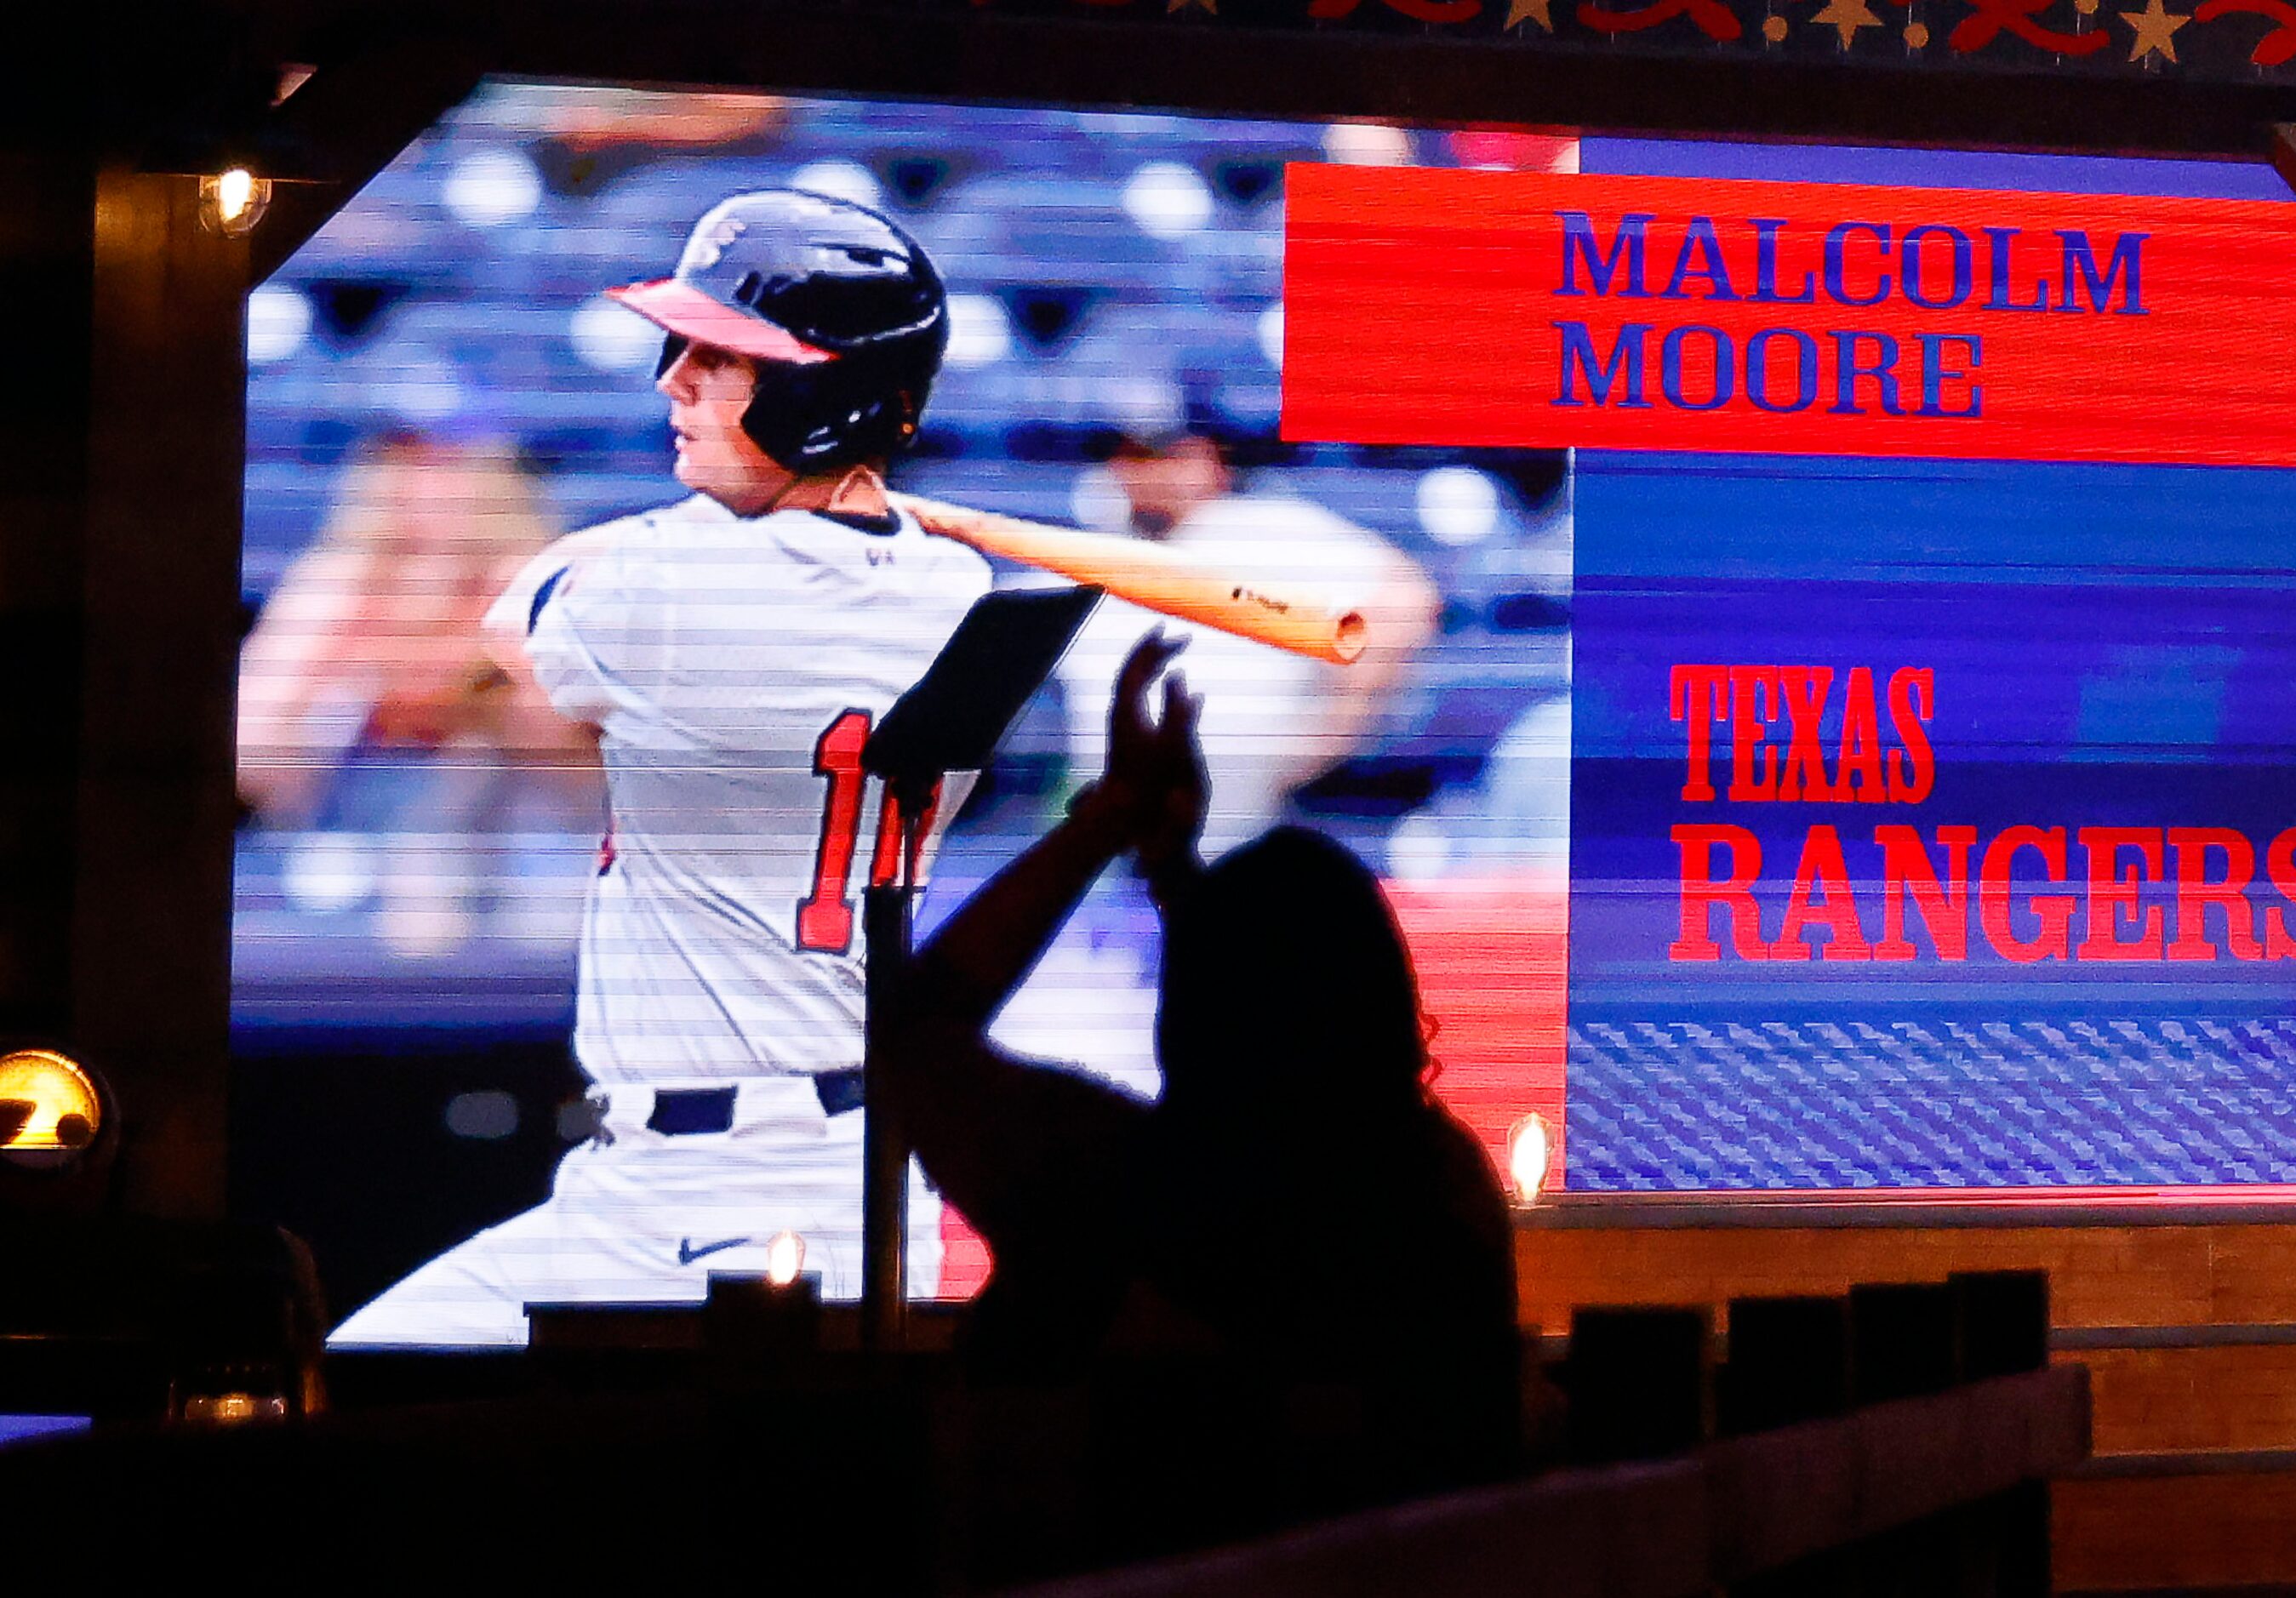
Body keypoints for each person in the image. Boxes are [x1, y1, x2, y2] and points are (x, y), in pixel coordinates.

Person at [329, 191, 993, 1347]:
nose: (671, 380)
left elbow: (503, 623)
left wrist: (710, 522)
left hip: (761, 1200)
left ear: (814, 394)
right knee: (368, 1365)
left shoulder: (674, 583)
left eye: (719, 357)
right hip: (717, 1172)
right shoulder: (961, 592)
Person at [890, 633, 1522, 1498]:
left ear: (1182, 1015)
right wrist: (1181, 880)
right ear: (1393, 1005)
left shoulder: (1103, 1195)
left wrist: (1115, 817)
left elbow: (918, 1029)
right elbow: (1289, 1034)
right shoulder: (1443, 1201)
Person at [236, 433, 599, 956]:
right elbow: (251, 762)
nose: (431, 488)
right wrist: (340, 667)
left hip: (526, 844)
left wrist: (483, 683)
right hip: (353, 831)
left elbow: (582, 774)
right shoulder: (337, 583)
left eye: (453, 465)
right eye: (409, 462)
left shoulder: (535, 582)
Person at [1055, 427, 1440, 852]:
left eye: (1165, 455)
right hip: (1106, 846)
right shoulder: (1094, 539)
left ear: (1209, 457)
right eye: (1132, 457)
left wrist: (1331, 731)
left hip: (1233, 845)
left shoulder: (1261, 529)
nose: (1149, 473)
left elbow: (1406, 600)